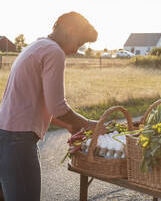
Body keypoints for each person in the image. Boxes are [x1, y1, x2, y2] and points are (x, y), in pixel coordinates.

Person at [0, 11, 99, 201]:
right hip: (17, 141)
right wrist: (89, 124)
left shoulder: (37, 46)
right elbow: (58, 107)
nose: (77, 50)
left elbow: (36, 104)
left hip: (5, 135)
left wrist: (69, 125)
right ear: (71, 30)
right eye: (79, 43)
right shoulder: (54, 51)